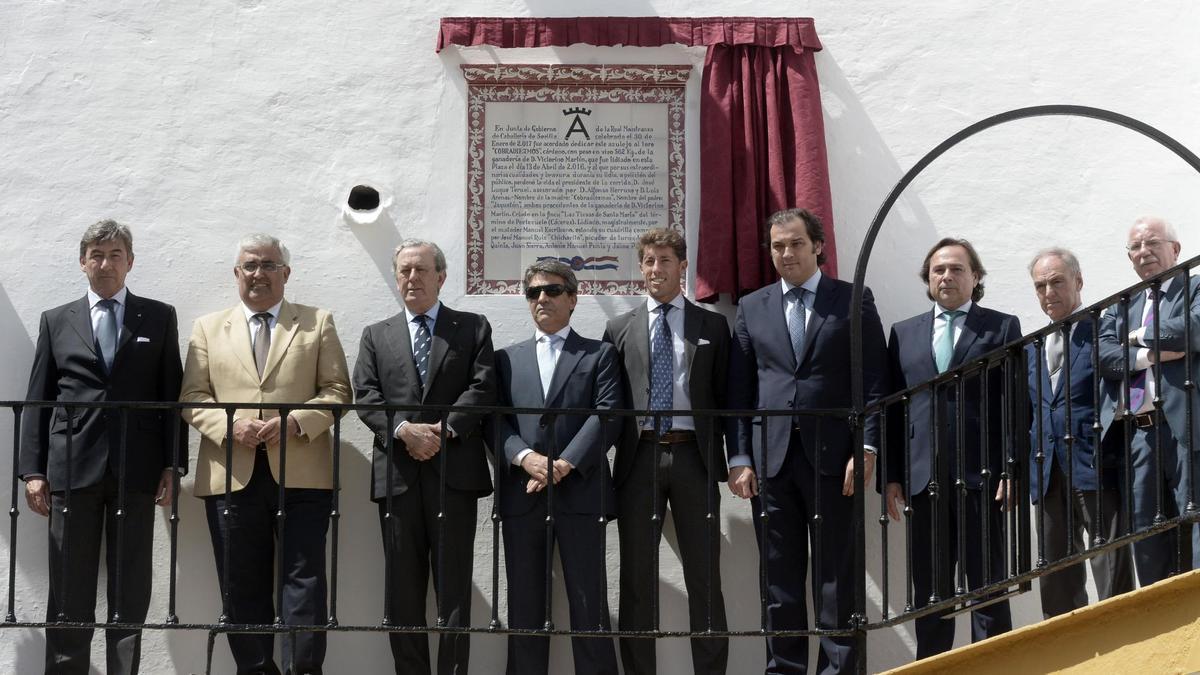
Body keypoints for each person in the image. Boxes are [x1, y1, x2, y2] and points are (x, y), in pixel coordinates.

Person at [180, 233, 351, 675]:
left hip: (303, 474)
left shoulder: (317, 322)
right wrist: (229, 425)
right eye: (250, 266)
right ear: (236, 274)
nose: (259, 274)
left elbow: (337, 391)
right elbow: (193, 397)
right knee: (240, 586)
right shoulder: (208, 328)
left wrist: (296, 421)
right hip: (231, 475)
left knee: (305, 584)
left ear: (286, 274)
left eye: (269, 265)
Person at [20, 219, 185, 674]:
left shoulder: (158, 316)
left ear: (130, 262)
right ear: (82, 262)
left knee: (130, 591)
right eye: (97, 254)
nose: (106, 263)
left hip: (138, 471)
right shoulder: (57, 320)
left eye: (115, 255)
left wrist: (173, 465)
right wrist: (32, 471)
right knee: (69, 591)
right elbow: (38, 397)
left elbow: (170, 395)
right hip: (71, 471)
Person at [728, 208, 887, 674]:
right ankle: (786, 669)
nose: (786, 253)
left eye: (796, 243)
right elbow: (739, 392)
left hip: (837, 460)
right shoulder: (751, 306)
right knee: (779, 580)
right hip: (770, 463)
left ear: (817, 246)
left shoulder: (853, 299)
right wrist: (739, 456)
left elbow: (874, 380)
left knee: (838, 575)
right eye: (778, 245)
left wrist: (868, 447)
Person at [352, 239, 495, 675]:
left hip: (454, 475)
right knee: (402, 592)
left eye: (420, 270)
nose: (411, 278)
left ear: (441, 276)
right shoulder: (376, 334)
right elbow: (366, 395)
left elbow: (483, 385)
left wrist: (443, 430)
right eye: (404, 271)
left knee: (454, 590)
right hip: (398, 478)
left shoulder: (472, 327)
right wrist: (403, 431)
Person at [884, 237, 1020, 659]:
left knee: (988, 589)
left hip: (983, 476)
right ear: (928, 280)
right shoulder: (903, 333)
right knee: (930, 592)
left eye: (957, 269)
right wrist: (891, 475)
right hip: (923, 480)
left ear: (975, 277)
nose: (946, 276)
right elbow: (892, 409)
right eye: (938, 270)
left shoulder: (1001, 326)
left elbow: (1016, 404)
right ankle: (934, 668)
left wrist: (1012, 468)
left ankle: (992, 669)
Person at [602, 228, 730, 674]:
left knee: (705, 577)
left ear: (682, 266)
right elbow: (610, 404)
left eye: (665, 261)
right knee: (637, 579)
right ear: (641, 268)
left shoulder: (712, 325)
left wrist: (738, 461)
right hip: (639, 459)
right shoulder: (618, 328)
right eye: (649, 262)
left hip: (694, 455)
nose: (656, 270)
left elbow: (726, 395)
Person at [492, 259, 620, 675]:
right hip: (521, 496)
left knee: (589, 604)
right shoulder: (505, 359)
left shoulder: (599, 354)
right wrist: (526, 459)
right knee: (525, 605)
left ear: (572, 298)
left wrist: (563, 464)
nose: (541, 298)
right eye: (533, 292)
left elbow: (608, 414)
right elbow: (494, 421)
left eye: (551, 290)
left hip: (581, 494)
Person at [1026, 247, 1133, 618]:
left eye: (1057, 282)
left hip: (1096, 464)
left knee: (1110, 569)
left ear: (1079, 281)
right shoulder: (1032, 347)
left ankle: (1122, 646)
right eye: (1040, 286)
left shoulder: (1100, 330)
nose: (1048, 292)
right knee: (1056, 577)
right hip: (1048, 470)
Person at [1098, 216, 1200, 585]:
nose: (1143, 252)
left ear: (1175, 249)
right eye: (1135, 247)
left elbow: (1193, 328)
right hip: (1139, 434)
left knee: (1195, 514)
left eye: (1152, 243)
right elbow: (1103, 355)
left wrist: (1137, 336)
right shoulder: (1122, 304)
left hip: (1187, 424)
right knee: (1146, 526)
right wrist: (1151, 355)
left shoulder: (1195, 285)